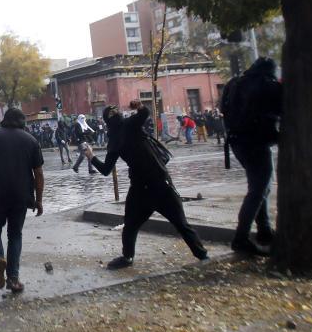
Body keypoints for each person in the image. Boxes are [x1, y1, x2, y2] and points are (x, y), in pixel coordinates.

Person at [85, 103, 209, 269]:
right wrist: (140, 106)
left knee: (132, 226)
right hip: (156, 184)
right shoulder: (129, 126)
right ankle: (202, 255)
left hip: (143, 187)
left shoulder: (116, 137)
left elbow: (106, 169)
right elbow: (144, 113)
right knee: (177, 224)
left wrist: (91, 157)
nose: (118, 113)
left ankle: (127, 257)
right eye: (115, 112)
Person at [0, 108, 44, 293]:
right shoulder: (31, 140)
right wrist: (39, 200)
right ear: (22, 122)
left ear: (4, 120)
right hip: (20, 196)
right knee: (15, 235)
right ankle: (13, 279)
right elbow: (38, 173)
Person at [221, 57, 283, 256]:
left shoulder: (234, 83)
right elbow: (283, 109)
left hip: (237, 142)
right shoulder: (267, 85)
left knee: (258, 187)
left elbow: (224, 108)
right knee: (259, 188)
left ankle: (264, 231)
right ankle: (241, 238)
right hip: (257, 141)